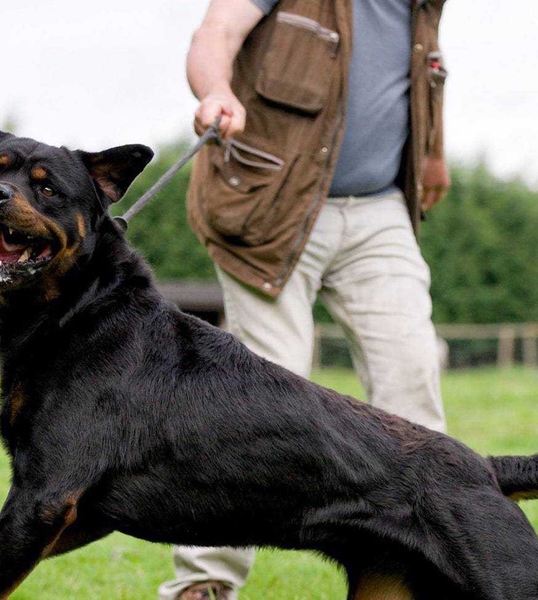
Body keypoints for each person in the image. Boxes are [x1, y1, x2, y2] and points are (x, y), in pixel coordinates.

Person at [161, 0, 451, 598]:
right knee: (258, 397)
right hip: (272, 204)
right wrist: (215, 89)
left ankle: (400, 583)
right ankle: (205, 582)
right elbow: (215, 31)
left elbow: (420, 78)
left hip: (380, 209)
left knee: (412, 375)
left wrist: (432, 155)